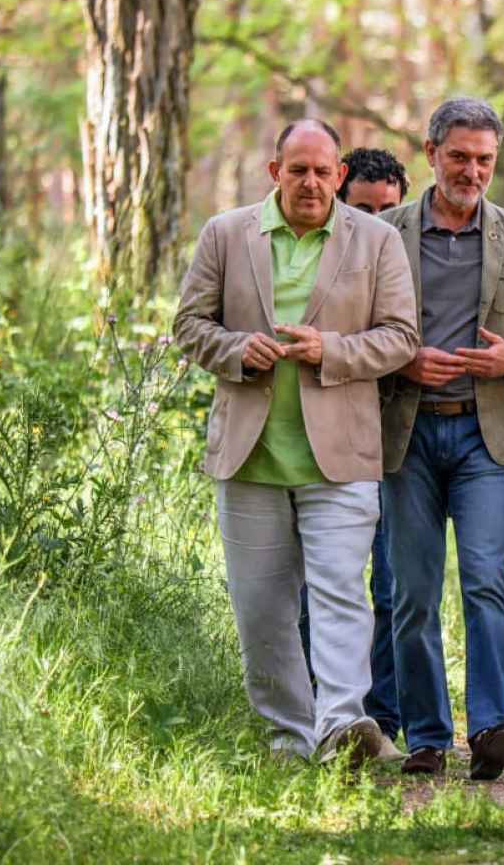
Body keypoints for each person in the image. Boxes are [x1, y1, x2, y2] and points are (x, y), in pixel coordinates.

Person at [172, 119, 418, 767]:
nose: (311, 182)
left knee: (340, 590)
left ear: (341, 175)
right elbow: (189, 324)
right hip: (250, 456)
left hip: (340, 455)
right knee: (262, 607)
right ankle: (288, 739)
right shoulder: (226, 234)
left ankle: (342, 728)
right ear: (273, 171)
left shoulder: (377, 240)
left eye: (323, 170)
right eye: (298, 169)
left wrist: (330, 350)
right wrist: (233, 350)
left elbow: (401, 337)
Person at [377, 97, 504, 781]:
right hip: (406, 433)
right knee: (413, 592)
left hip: (488, 439)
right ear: (430, 153)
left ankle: (491, 727)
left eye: (484, 159)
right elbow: (359, 327)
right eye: (459, 156)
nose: (472, 170)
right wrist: (399, 359)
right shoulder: (385, 234)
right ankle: (428, 735)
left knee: (488, 581)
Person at [292, 145, 412, 745]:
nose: (378, 220)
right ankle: (326, 714)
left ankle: (383, 720)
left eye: (390, 208)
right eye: (365, 207)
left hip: (400, 447)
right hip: (335, 442)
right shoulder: (323, 255)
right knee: (326, 587)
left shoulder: (402, 254)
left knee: (392, 588)